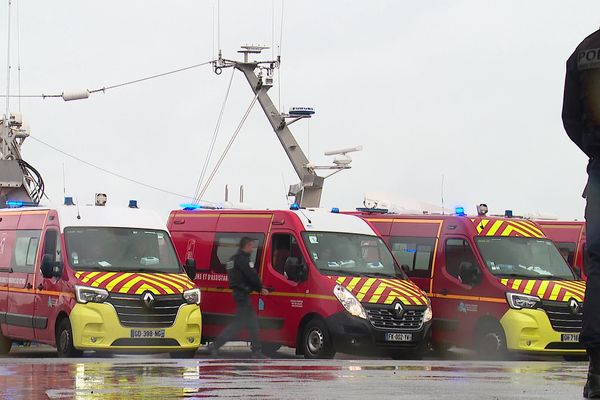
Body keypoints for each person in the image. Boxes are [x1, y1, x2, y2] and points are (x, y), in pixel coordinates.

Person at [562, 27, 600, 398]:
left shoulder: (584, 51)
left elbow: (570, 118)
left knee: (598, 271)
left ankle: (598, 373)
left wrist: (594, 149)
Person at [208, 237, 269, 359]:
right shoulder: (242, 260)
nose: (252, 249)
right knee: (243, 324)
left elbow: (236, 277)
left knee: (248, 324)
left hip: (238, 294)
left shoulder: (233, 260)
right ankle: (216, 346)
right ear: (246, 246)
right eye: (251, 246)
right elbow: (251, 275)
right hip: (243, 295)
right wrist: (260, 287)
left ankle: (256, 350)